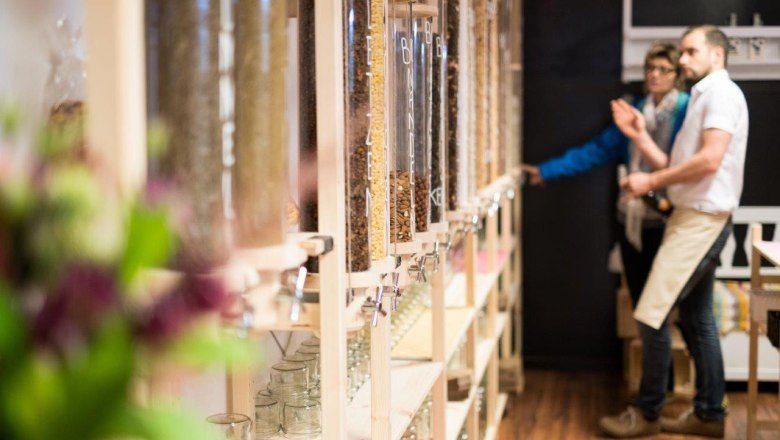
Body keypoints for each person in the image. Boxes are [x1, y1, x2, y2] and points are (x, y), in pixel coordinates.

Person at [599, 25, 748, 438]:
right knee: (698, 318)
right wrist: (639, 135)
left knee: (650, 313)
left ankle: (647, 413)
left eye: (690, 51)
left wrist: (647, 182)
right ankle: (708, 414)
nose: (682, 60)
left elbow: (710, 160)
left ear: (717, 54)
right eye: (680, 52)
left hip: (700, 221)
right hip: (694, 216)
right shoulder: (705, 95)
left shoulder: (719, 94)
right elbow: (672, 162)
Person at [523, 42, 689, 312]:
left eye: (663, 69)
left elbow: (686, 166)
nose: (654, 75)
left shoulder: (687, 111)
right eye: (650, 68)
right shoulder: (634, 109)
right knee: (640, 303)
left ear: (676, 74)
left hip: (670, 217)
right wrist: (548, 171)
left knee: (666, 307)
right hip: (632, 216)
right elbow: (597, 150)